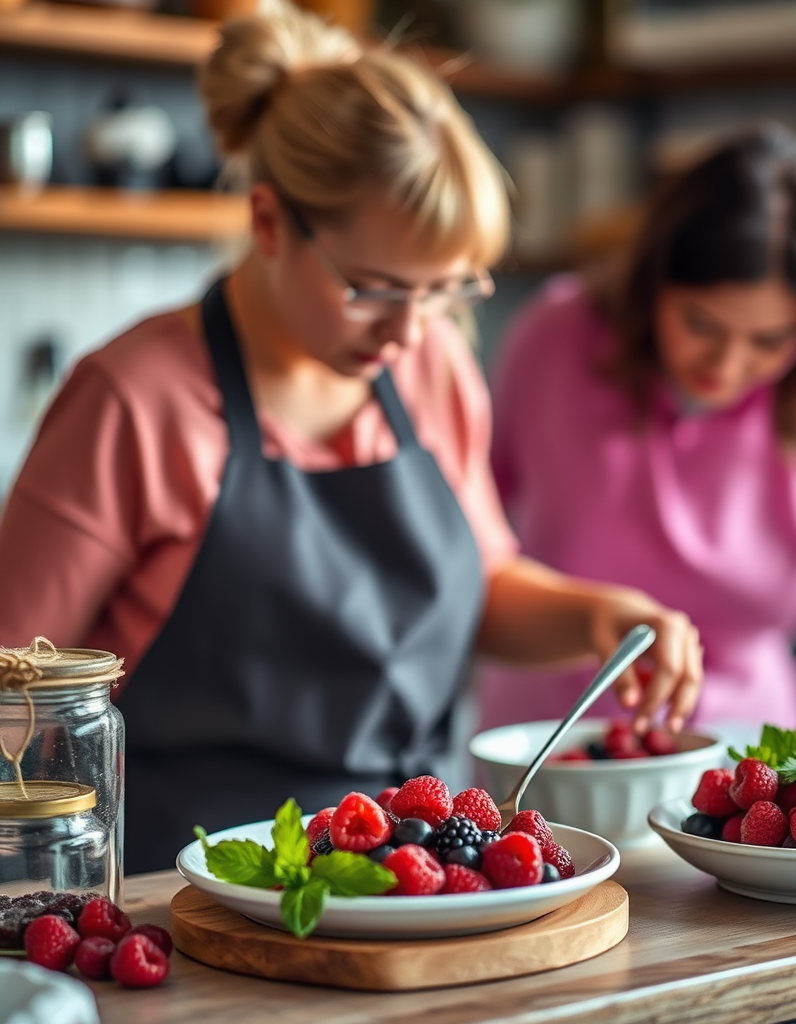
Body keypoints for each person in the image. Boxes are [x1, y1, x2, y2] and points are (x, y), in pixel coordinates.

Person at [0, 4, 702, 872]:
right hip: (190, 888)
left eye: (444, 291)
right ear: (268, 223)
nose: (410, 330)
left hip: (409, 880)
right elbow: (17, 690)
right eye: (373, 289)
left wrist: (598, 616)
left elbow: (481, 583)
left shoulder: (432, 368)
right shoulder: (134, 402)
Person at [481, 124, 796, 756]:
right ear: (654, 285)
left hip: (747, 764)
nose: (727, 364)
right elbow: (469, 540)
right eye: (701, 324)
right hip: (547, 751)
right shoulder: (555, 337)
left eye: (770, 340)